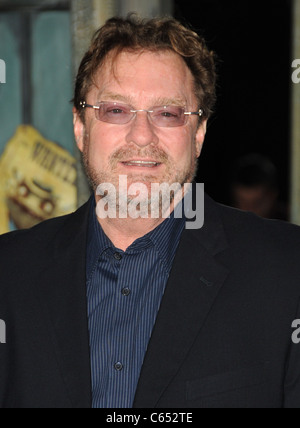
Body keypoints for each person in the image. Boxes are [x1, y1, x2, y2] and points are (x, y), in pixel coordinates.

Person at [0, 15, 300, 409]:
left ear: (198, 134)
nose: (142, 136)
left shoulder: (288, 270)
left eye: (167, 114)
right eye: (116, 110)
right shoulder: (9, 273)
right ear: (79, 126)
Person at [230, 154, 288, 220]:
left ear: (273, 196)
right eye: (242, 203)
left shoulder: (293, 221)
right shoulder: (225, 222)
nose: (249, 211)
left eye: (257, 204)